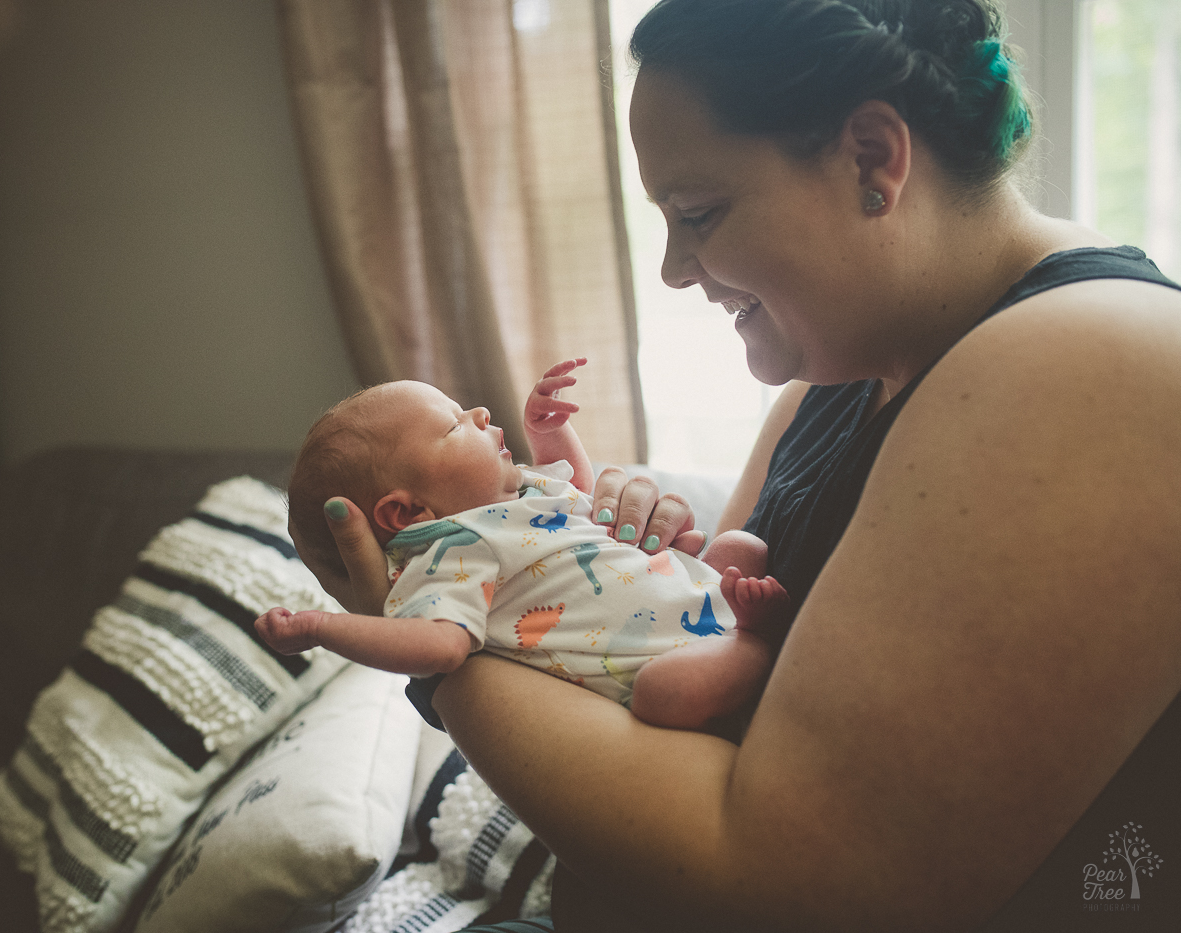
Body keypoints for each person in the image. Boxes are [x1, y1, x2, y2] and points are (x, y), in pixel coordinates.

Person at [300, 1, 1181, 929]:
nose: (677, 267)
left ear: (872, 158)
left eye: (698, 211)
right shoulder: (838, 373)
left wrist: (437, 636)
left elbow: (779, 881)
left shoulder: (1095, 361)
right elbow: (682, 662)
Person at [261, 359, 790, 731]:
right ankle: (754, 642)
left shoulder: (521, 493)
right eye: (453, 425)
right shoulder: (449, 554)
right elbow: (440, 649)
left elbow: (581, 499)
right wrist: (323, 627)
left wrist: (549, 433)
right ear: (407, 513)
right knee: (664, 696)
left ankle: (746, 623)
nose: (481, 415)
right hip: (672, 657)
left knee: (740, 546)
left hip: (688, 596)